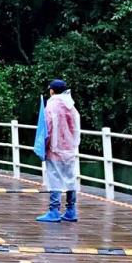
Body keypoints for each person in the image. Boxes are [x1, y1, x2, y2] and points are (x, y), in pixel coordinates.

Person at [34, 79, 82, 223]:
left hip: (55, 148)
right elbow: (75, 127)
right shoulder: (71, 105)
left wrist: (44, 146)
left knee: (54, 178)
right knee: (70, 178)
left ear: (52, 90)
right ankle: (71, 210)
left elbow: (47, 127)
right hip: (69, 148)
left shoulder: (51, 105)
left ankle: (54, 211)